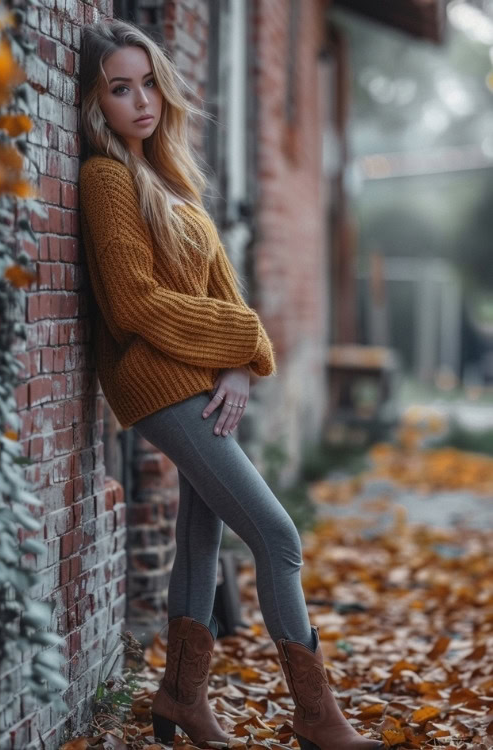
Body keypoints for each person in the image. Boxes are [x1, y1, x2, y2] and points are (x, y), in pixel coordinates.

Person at [78, 18, 384, 750]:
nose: (142, 100)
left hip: (205, 384)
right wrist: (244, 342)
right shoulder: (106, 177)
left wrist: (239, 365)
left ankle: (181, 697)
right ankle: (317, 718)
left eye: (148, 82)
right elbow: (134, 303)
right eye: (121, 89)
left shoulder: (168, 174)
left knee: (201, 529)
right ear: (97, 104)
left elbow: (222, 289)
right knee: (278, 537)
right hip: (160, 386)